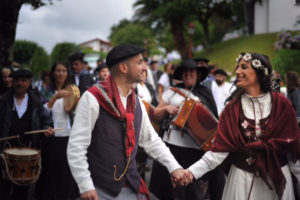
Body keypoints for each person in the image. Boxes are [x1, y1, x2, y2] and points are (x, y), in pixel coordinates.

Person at [67, 44, 187, 200]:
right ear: (123, 67)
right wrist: (86, 186)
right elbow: (76, 147)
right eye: (139, 62)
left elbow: (152, 142)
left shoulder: (137, 103)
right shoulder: (92, 98)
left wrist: (174, 167)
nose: (145, 67)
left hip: (131, 183)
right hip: (99, 189)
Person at [182, 53, 300, 200]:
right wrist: (190, 173)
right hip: (241, 181)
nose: (237, 72)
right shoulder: (232, 109)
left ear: (260, 72)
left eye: (243, 67)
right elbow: (218, 152)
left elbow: (293, 153)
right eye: (237, 67)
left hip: (277, 181)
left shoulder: (282, 105)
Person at [149, 59, 225, 200]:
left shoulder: (205, 93)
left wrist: (201, 112)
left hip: (194, 150)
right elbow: (156, 115)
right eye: (185, 72)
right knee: (168, 189)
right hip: (171, 147)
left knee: (193, 191)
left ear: (197, 74)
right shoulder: (172, 91)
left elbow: (213, 123)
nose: (188, 74)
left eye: (191, 71)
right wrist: (166, 108)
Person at [0, 68, 54, 200]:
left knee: (22, 193)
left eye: (23, 81)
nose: (20, 83)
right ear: (12, 82)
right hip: (5, 151)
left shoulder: (36, 102)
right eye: (17, 80)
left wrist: (47, 130)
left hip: (28, 152)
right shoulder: (3, 100)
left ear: (29, 82)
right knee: (3, 190)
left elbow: (47, 120)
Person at [36, 62, 79, 200]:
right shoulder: (45, 91)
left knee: (67, 172)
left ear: (67, 73)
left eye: (64, 70)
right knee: (51, 171)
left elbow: (77, 115)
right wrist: (56, 97)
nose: (61, 73)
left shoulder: (73, 90)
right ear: (53, 73)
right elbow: (42, 113)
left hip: (69, 137)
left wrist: (75, 106)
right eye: (58, 70)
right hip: (52, 137)